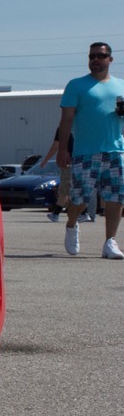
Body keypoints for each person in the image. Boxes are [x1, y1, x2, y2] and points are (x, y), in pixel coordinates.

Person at [57, 42, 124, 259]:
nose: (95, 60)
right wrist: (63, 149)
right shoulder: (76, 86)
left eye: (100, 56)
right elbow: (66, 119)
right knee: (80, 197)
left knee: (116, 198)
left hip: (116, 151)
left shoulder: (120, 86)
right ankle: (72, 224)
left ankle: (110, 242)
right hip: (86, 152)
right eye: (92, 56)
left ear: (110, 59)